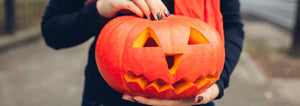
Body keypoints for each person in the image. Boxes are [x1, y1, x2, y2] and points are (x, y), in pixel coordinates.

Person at [41, 0, 244, 106]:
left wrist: (217, 84)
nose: (171, 59)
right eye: (150, 44)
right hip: (110, 100)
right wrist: (100, 8)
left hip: (194, 99)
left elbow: (232, 25)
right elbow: (52, 30)